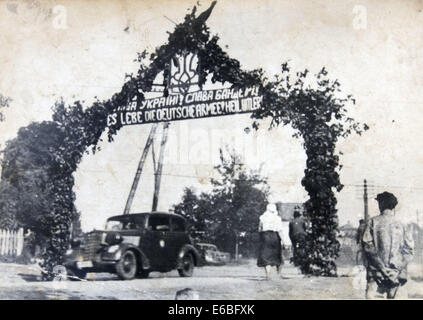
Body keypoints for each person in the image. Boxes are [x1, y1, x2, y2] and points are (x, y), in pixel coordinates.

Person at [362, 192, 414, 299]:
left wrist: (381, 268)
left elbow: (367, 247)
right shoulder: (402, 224)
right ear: (394, 206)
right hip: (397, 277)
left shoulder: (373, 222)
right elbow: (409, 250)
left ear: (380, 204)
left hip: (377, 275)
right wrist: (396, 270)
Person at [257, 203, 284, 279]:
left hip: (265, 236)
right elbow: (280, 230)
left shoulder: (262, 217)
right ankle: (276, 274)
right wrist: (284, 241)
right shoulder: (277, 218)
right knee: (275, 255)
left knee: (266, 255)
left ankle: (268, 274)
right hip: (275, 236)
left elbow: (259, 229)